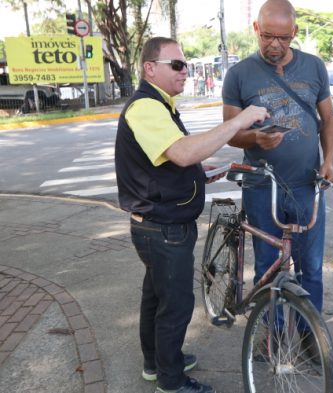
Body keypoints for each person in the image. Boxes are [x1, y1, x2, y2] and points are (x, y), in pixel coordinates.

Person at [115, 37, 268, 393]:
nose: (186, 72)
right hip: (163, 229)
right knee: (176, 305)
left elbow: (172, 160)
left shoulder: (161, 105)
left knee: (156, 297)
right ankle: (171, 382)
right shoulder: (146, 107)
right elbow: (182, 153)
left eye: (185, 65)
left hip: (158, 226)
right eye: (178, 65)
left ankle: (158, 362)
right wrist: (240, 120)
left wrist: (201, 172)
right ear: (149, 68)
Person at [222, 0, 333, 355]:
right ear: (256, 29)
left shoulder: (315, 67)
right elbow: (230, 131)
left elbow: (328, 120)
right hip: (262, 187)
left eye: (283, 38)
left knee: (311, 270)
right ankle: (271, 335)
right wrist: (255, 138)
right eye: (268, 36)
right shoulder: (239, 74)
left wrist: (329, 160)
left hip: (307, 186)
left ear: (294, 34)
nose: (275, 45)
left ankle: (310, 337)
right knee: (267, 269)